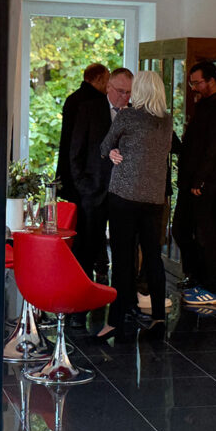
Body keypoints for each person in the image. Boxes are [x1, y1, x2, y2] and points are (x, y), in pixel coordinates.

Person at [98, 70, 173, 337]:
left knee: (122, 259)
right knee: (153, 258)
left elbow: (104, 146)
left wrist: (112, 151)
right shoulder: (167, 121)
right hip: (154, 199)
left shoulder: (127, 116)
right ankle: (159, 318)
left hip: (124, 196)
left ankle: (115, 321)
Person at [173, 61, 216, 307]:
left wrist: (201, 180)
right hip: (191, 182)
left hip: (209, 185)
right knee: (180, 229)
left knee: (208, 237)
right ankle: (196, 275)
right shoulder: (203, 104)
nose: (193, 88)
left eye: (197, 83)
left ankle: (213, 287)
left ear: (212, 80)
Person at [68, 67, 133, 281]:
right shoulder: (89, 109)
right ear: (108, 87)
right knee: (88, 248)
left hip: (124, 193)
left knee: (124, 249)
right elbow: (76, 151)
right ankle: (84, 290)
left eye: (129, 92)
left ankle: (121, 294)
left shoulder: (135, 114)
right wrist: (83, 185)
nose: (125, 96)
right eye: (121, 91)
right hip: (93, 189)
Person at [56, 63, 109, 203]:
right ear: (99, 79)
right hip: (88, 172)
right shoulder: (96, 102)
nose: (108, 86)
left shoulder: (72, 99)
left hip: (69, 168)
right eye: (107, 80)